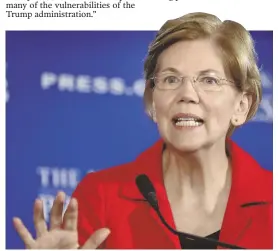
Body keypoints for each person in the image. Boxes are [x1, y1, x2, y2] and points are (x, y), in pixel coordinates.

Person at [13, 12, 272, 249]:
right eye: (171, 79)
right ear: (153, 102)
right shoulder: (100, 196)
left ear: (241, 105)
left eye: (209, 80)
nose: (186, 94)